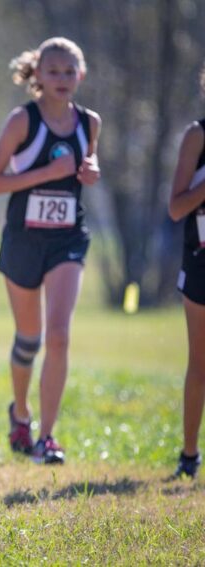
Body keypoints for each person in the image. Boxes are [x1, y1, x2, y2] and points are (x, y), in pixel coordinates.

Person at [0, 37, 101, 464]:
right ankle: (20, 412)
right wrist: (45, 173)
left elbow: (85, 170)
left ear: (80, 75)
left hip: (68, 239)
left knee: (60, 334)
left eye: (70, 71)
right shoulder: (22, 120)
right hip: (24, 240)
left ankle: (47, 437)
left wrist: (89, 173)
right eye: (54, 71)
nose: (62, 79)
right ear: (38, 76)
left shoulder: (90, 123)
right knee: (29, 339)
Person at [167, 63, 205, 478]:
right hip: (201, 263)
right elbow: (176, 207)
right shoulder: (197, 135)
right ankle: (189, 454)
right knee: (201, 362)